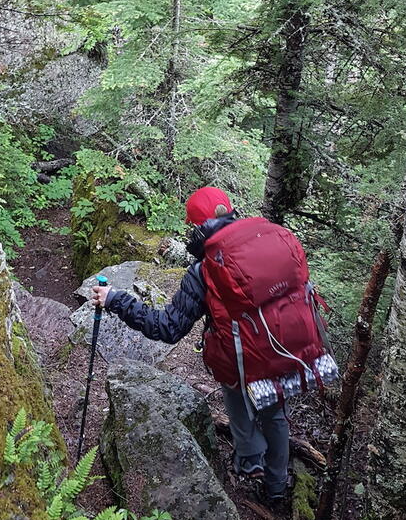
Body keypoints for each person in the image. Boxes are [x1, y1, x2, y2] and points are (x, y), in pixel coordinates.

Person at [90, 186, 291, 503]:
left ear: (198, 226)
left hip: (239, 361)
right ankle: (277, 485)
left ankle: (252, 464)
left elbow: (167, 328)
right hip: (281, 348)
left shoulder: (204, 270)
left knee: (238, 403)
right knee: (274, 414)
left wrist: (116, 299)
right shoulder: (265, 245)